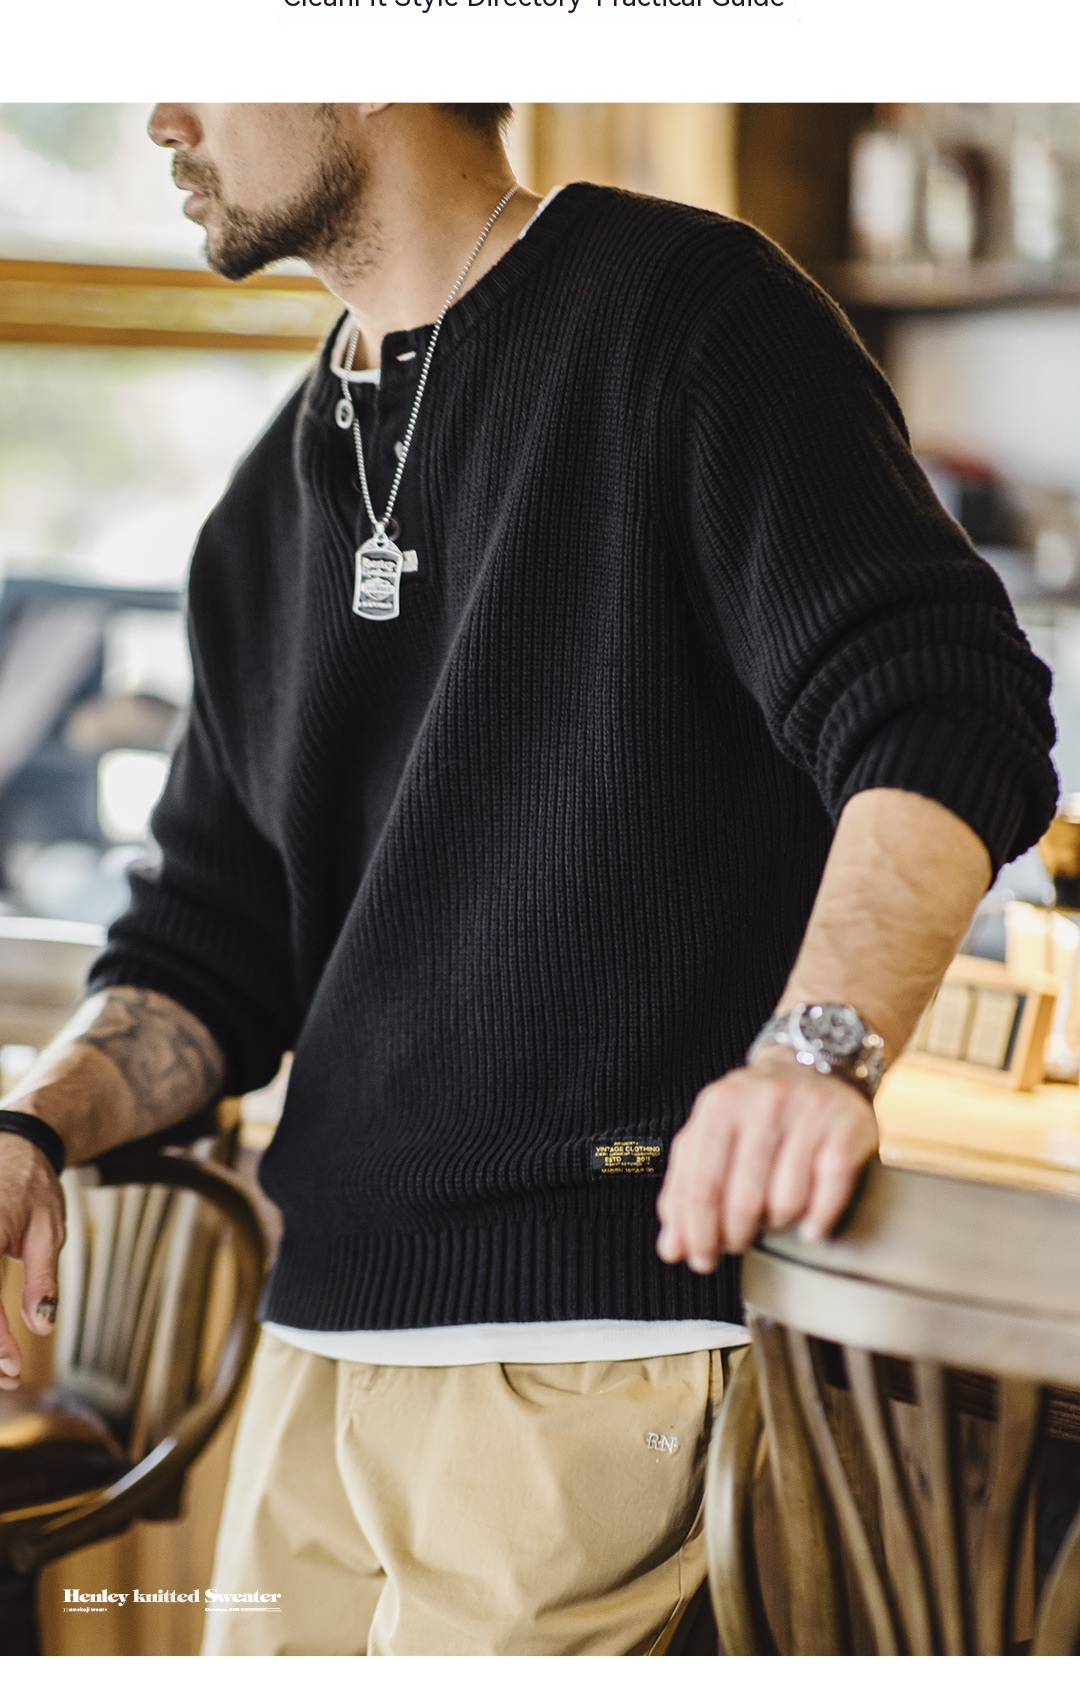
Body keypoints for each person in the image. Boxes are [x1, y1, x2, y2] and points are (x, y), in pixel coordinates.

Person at [0, 104, 1058, 1655]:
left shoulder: (690, 321)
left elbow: (946, 711)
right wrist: (34, 1122)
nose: (162, 113)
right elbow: (202, 952)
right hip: (317, 1350)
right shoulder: (266, 505)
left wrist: (815, 1050)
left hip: (596, 1351)